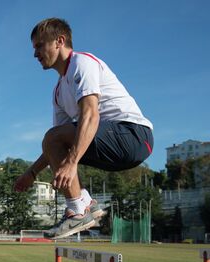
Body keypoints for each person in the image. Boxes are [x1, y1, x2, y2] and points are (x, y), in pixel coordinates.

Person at [14, 18, 154, 239]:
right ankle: (82, 203)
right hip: (111, 145)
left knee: (55, 140)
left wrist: (71, 163)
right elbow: (54, 146)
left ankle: (79, 209)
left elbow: (90, 114)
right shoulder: (58, 92)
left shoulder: (82, 63)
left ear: (59, 41)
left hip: (134, 136)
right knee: (53, 141)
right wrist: (31, 173)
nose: (35, 54)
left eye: (40, 45)